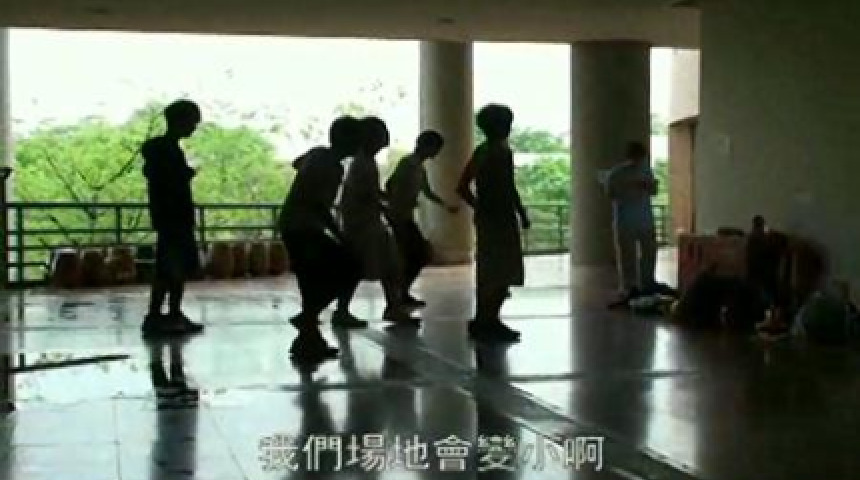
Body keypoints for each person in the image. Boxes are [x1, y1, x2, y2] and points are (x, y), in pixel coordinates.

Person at [279, 116, 367, 358]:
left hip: (294, 225)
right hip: (304, 228)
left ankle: (308, 340)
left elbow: (298, 164)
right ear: (345, 139)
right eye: (357, 139)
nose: (359, 145)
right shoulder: (331, 166)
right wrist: (340, 236)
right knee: (351, 266)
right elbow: (318, 204)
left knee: (310, 281)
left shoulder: (318, 155)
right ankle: (307, 319)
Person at [458, 104, 529, 342]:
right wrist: (520, 212)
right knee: (501, 270)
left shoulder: (482, 151)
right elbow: (508, 187)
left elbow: (462, 187)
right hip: (501, 217)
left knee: (490, 270)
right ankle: (488, 321)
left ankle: (485, 319)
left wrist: (480, 207)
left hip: (489, 218)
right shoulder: (501, 152)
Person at [340, 117, 416, 325]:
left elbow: (368, 192)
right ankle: (391, 307)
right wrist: (387, 208)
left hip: (365, 222)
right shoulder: (363, 164)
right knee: (380, 267)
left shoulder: (364, 162)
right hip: (364, 224)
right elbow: (365, 195)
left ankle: (391, 306)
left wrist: (385, 200)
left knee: (385, 266)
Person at [141, 99, 205, 337]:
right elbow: (170, 183)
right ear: (181, 121)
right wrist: (185, 175)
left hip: (168, 217)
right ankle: (166, 314)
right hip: (174, 217)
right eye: (192, 122)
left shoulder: (162, 151)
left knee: (169, 267)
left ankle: (162, 315)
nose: (194, 127)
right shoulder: (167, 152)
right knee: (173, 268)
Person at [384, 130, 459, 307]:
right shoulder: (408, 164)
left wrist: (445, 205)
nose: (437, 152)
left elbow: (427, 191)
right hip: (399, 217)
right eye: (436, 148)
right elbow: (390, 184)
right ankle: (399, 295)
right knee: (416, 255)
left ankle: (402, 294)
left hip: (404, 216)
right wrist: (397, 201)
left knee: (416, 255)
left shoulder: (418, 167)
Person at [604, 140, 658, 306]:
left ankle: (647, 283)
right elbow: (610, 193)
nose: (639, 159)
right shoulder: (616, 173)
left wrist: (648, 186)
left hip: (645, 219)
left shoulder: (646, 171)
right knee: (627, 254)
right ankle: (628, 286)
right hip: (625, 219)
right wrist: (628, 188)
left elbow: (654, 191)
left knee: (649, 252)